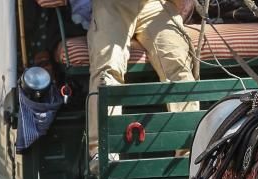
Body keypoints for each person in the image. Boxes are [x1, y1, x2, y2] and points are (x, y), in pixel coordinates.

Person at [37, 0, 196, 163]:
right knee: (108, 67)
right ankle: (104, 150)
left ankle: (189, 150)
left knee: (179, 66)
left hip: (156, 5)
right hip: (111, 4)